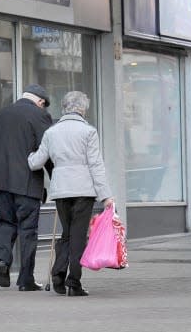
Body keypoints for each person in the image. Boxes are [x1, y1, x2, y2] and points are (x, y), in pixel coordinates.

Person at [28, 91, 114, 297]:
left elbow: (35, 162)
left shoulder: (51, 132)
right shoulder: (88, 131)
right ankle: (73, 282)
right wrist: (106, 195)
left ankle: (58, 273)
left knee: (67, 233)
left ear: (64, 108)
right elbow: (96, 165)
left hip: (62, 190)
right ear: (83, 109)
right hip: (84, 190)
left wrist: (29, 155)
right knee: (77, 236)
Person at [0, 84, 53, 292]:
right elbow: (49, 150)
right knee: (28, 230)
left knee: (6, 224)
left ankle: (1, 261)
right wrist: (58, 179)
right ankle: (26, 280)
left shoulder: (0, 115)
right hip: (26, 185)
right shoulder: (39, 116)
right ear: (41, 102)